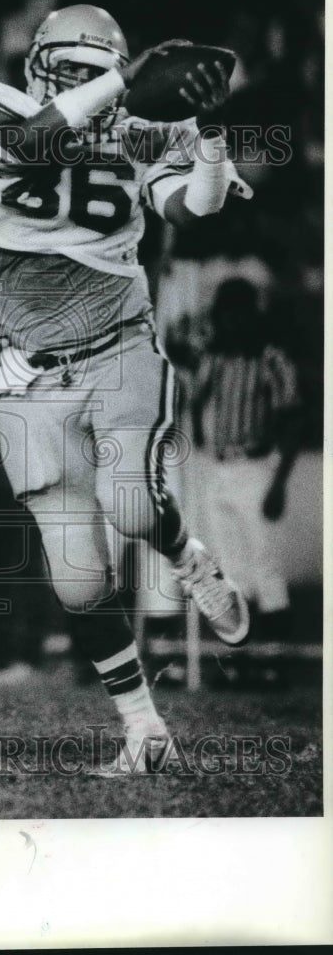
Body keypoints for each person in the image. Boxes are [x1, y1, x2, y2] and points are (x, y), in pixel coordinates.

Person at [0, 4, 253, 773]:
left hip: (119, 345)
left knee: (134, 507)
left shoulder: (142, 126)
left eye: (97, 68)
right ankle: (144, 729)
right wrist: (120, 83)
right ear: (41, 63)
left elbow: (193, 206)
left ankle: (189, 555)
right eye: (72, 69)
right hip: (28, 368)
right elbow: (16, 147)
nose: (85, 82)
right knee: (77, 575)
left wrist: (208, 138)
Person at [185, 278, 301, 677]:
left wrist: (279, 482)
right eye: (227, 315)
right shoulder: (214, 360)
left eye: (241, 315)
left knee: (265, 563)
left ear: (254, 317)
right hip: (219, 467)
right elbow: (196, 400)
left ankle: (275, 664)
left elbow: (292, 419)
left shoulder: (271, 360)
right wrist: (203, 442)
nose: (234, 323)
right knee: (230, 567)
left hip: (255, 467)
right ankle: (242, 663)